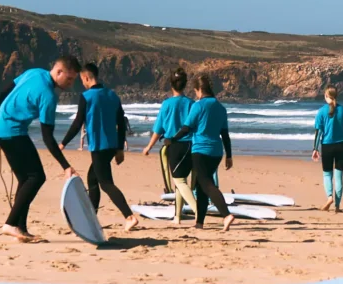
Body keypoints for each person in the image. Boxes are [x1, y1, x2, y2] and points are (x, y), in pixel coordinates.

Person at [0, 56, 81, 243]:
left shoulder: (35, 72)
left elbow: (4, 90)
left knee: (26, 179)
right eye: (69, 79)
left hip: (1, 129)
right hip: (11, 132)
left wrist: (1, 114)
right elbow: (48, 137)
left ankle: (20, 228)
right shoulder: (48, 95)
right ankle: (10, 224)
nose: (71, 84)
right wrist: (65, 166)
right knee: (36, 177)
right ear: (59, 72)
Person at [61, 62, 138, 231]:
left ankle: (129, 216)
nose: (82, 83)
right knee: (92, 178)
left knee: (105, 183)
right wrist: (119, 149)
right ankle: (92, 217)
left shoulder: (87, 97)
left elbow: (77, 122)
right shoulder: (112, 95)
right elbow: (121, 123)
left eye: (82, 79)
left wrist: (63, 142)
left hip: (99, 146)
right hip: (111, 146)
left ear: (87, 77)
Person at [168, 73, 235, 231]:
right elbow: (225, 134)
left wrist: (172, 139)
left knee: (206, 183)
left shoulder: (198, 106)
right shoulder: (220, 107)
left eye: (196, 91)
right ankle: (199, 223)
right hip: (216, 152)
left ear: (198, 90)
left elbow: (186, 128)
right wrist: (229, 156)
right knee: (200, 185)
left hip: (200, 150)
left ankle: (226, 215)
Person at [142, 68, 197, 224]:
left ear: (171, 85)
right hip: (190, 146)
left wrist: (149, 147)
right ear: (185, 85)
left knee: (179, 181)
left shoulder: (167, 104)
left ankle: (197, 210)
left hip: (174, 146)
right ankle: (177, 216)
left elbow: (158, 129)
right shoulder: (191, 104)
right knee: (182, 180)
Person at [312, 85, 343, 212]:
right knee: (339, 177)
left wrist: (315, 149)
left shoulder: (321, 112)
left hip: (327, 147)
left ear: (326, 96)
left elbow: (319, 132)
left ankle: (329, 197)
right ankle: (337, 207)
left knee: (327, 175)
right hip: (341, 146)